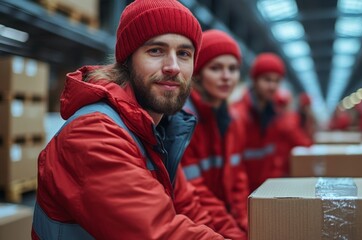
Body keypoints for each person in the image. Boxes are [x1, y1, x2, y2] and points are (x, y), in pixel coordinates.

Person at [31, 1, 225, 239]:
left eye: (184, 54)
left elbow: (193, 211)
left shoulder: (156, 132)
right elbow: (160, 233)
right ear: (127, 60)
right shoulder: (92, 134)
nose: (173, 66)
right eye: (156, 50)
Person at [181, 29, 248, 238]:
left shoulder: (233, 120)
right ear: (198, 73)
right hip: (201, 227)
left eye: (233, 68)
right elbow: (196, 192)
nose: (227, 77)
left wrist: (246, 223)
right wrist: (232, 233)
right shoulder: (182, 121)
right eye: (216, 68)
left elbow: (238, 180)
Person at [232, 53, 312, 192]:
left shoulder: (276, 116)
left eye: (276, 81)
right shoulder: (238, 115)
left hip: (265, 191)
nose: (272, 86)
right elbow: (235, 171)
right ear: (255, 80)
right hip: (245, 195)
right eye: (267, 79)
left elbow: (273, 160)